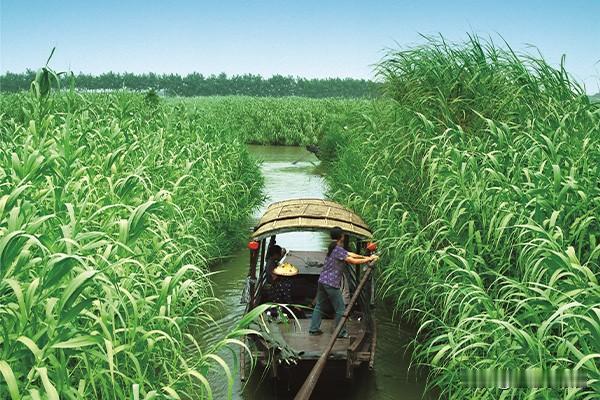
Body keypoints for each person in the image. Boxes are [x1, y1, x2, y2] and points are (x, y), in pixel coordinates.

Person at [309, 227, 378, 338]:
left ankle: (313, 329)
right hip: (331, 283)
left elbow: (351, 254)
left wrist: (366, 257)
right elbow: (352, 261)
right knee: (341, 309)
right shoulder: (337, 249)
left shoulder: (333, 247)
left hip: (322, 280)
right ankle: (340, 332)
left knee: (319, 306)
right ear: (341, 236)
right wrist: (368, 260)